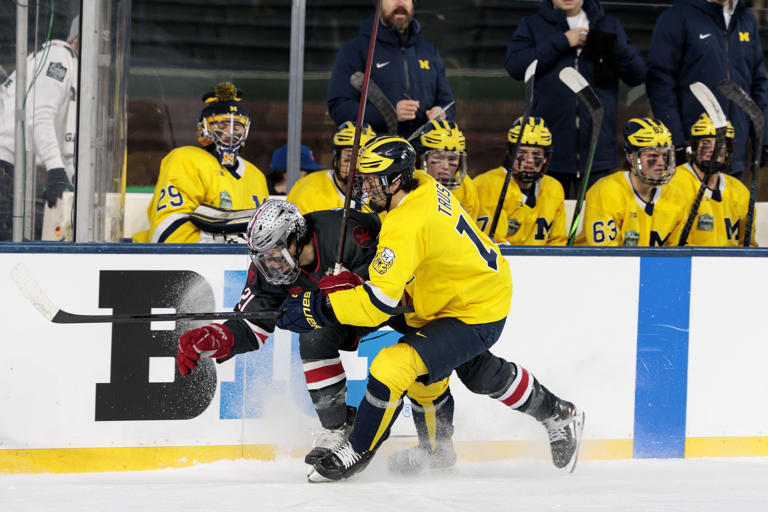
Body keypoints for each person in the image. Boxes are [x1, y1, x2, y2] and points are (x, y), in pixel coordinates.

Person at [275, 135, 584, 481]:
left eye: (372, 180)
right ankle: (443, 450)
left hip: (471, 307)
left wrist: (318, 306)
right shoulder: (421, 182)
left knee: (396, 366)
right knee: (456, 373)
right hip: (454, 293)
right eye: (362, 177)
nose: (363, 187)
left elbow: (377, 307)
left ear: (395, 181)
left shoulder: (406, 224)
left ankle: (356, 450)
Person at [176, 199, 383, 464]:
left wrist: (359, 281)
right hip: (341, 315)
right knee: (312, 334)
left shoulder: (347, 232)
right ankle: (336, 428)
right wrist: (219, 338)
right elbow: (252, 323)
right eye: (264, 259)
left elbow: (394, 267)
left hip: (388, 302)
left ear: (295, 238)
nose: (270, 264)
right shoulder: (270, 265)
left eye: (275, 255)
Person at [505, 0, 646, 199]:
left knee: (594, 219)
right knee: (546, 220)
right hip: (546, 149)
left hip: (597, 149)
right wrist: (562, 41)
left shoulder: (608, 24)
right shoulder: (532, 25)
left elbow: (637, 74)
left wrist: (614, 45)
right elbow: (515, 66)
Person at [646, 0, 768, 179]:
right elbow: (660, 83)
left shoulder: (746, 19)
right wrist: (675, 142)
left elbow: (758, 85)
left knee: (730, 206)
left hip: (734, 152)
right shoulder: (676, 17)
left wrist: (763, 137)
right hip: (692, 150)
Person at [136, 82, 269, 243]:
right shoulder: (185, 160)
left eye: (238, 125)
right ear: (203, 128)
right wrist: (229, 242)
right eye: (222, 124)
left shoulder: (256, 176)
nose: (230, 131)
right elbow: (167, 235)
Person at [0, 16, 80, 240]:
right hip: (6, 165)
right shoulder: (58, 58)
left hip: (15, 167)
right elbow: (39, 114)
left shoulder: (66, 64)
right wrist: (56, 170)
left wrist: (70, 178)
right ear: (78, 38)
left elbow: (62, 136)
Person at [327, 0, 455, 138]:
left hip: (423, 153)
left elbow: (447, 102)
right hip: (375, 154)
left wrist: (441, 113)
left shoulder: (429, 51)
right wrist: (389, 114)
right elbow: (339, 108)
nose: (400, 3)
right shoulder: (355, 50)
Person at [577, 118, 687, 246]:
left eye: (664, 155)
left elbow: (678, 254)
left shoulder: (676, 195)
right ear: (631, 156)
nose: (661, 163)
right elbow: (605, 256)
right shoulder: (606, 191)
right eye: (653, 156)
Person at [474, 117, 567, 245]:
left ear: (545, 158)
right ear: (510, 154)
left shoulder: (554, 188)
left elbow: (558, 242)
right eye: (522, 153)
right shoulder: (487, 184)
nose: (529, 160)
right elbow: (494, 244)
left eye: (536, 154)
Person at [670, 113, 756, 246]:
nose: (712, 150)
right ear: (694, 147)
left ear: (728, 151)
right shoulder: (674, 183)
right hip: (688, 264)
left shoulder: (739, 191)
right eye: (705, 143)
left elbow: (747, 246)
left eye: (719, 144)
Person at [286, 122, 376, 214]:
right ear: (336, 159)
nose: (357, 166)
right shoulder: (308, 191)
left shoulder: (378, 194)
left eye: (364, 159)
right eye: (349, 158)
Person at [413, 120, 480, 219]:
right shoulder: (407, 184)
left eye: (452, 159)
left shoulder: (466, 188)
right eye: (438, 158)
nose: (445, 166)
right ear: (421, 158)